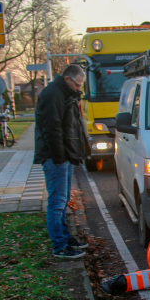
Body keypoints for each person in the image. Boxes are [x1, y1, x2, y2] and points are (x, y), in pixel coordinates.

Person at [34, 64, 89, 259]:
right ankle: (60, 246)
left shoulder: (64, 93)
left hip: (63, 155)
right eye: (77, 84)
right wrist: (59, 157)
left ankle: (66, 239)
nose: (79, 88)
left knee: (63, 200)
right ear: (67, 79)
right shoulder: (53, 95)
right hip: (56, 157)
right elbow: (53, 128)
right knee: (57, 202)